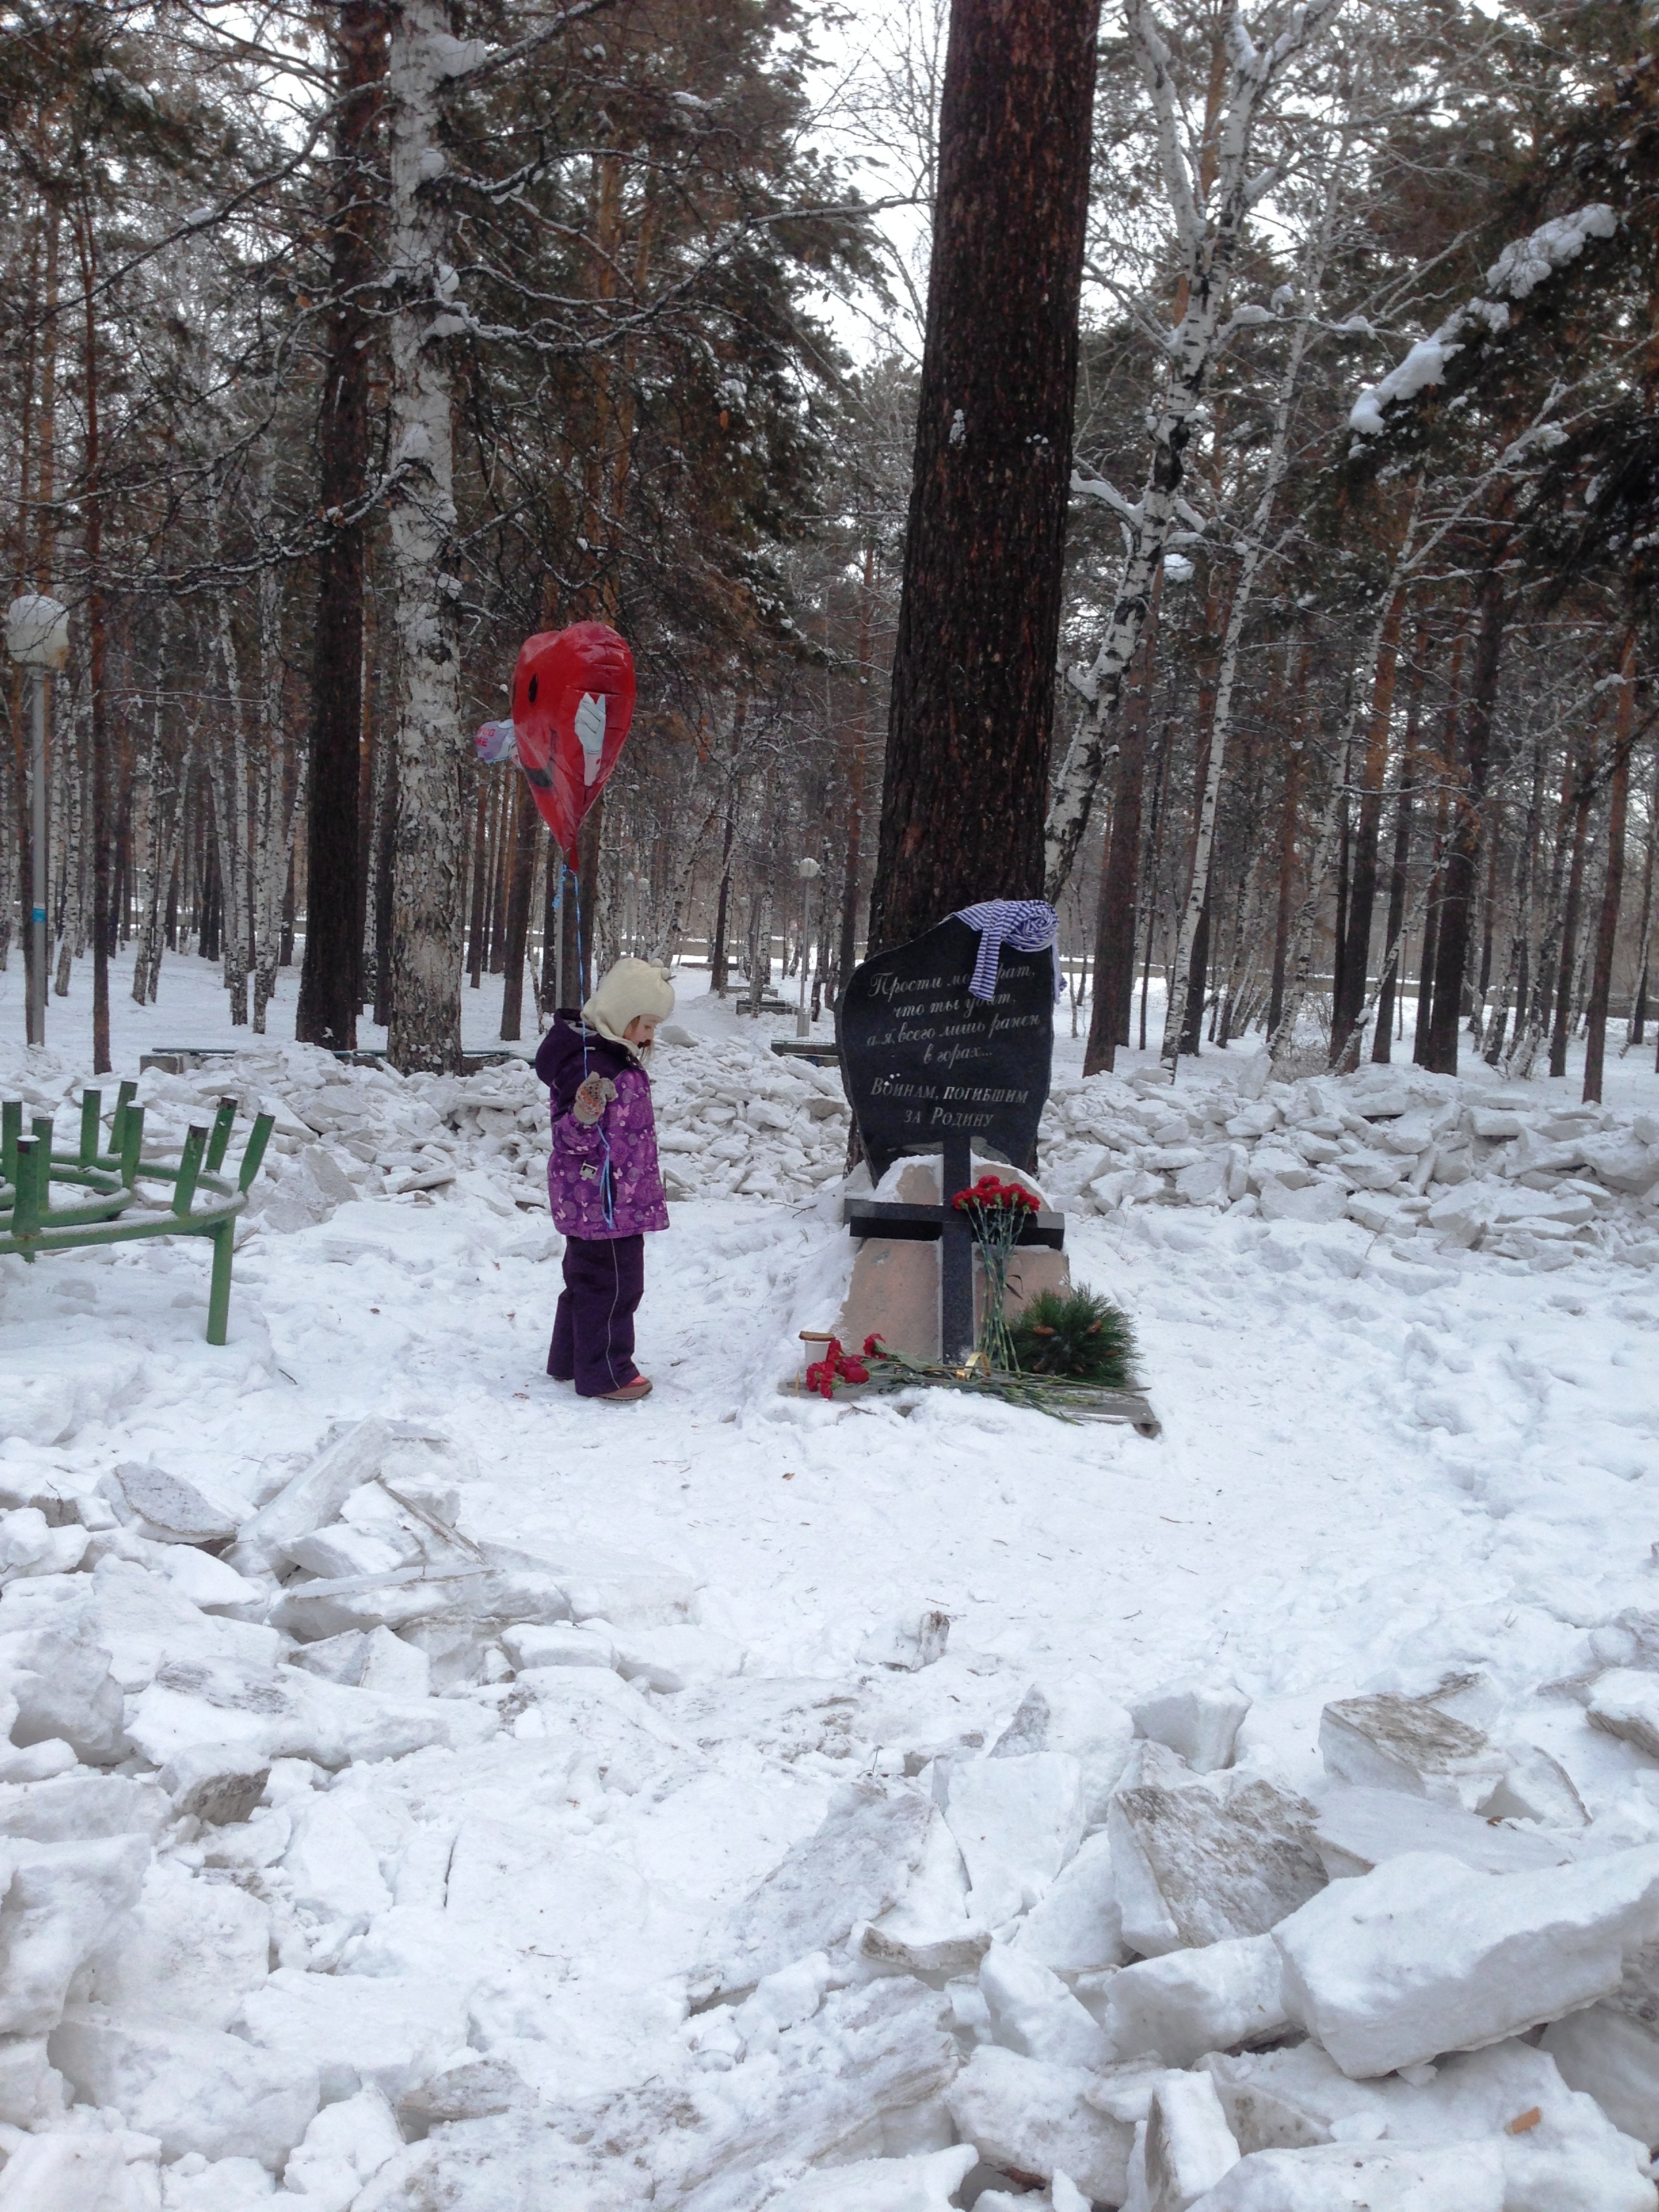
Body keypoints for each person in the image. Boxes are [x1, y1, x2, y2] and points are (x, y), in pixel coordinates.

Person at [533, 957, 675, 1402]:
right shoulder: (591, 1065)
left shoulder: (612, 1057)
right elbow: (569, 1137)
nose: (651, 1036)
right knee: (615, 1286)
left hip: (612, 1197)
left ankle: (570, 1358)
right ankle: (606, 1373)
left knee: (586, 1281)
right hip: (603, 1200)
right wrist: (584, 1113)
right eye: (647, 1024)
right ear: (623, 1015)